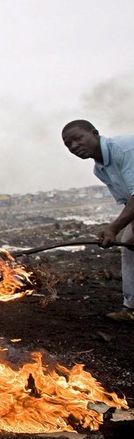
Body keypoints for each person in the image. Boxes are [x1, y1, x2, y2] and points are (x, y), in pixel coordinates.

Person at [62, 119, 134, 322]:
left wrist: (112, 229)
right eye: (68, 145)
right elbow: (128, 201)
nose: (74, 146)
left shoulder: (124, 149)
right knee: (129, 248)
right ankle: (131, 309)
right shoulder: (100, 169)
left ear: (94, 133)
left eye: (77, 139)